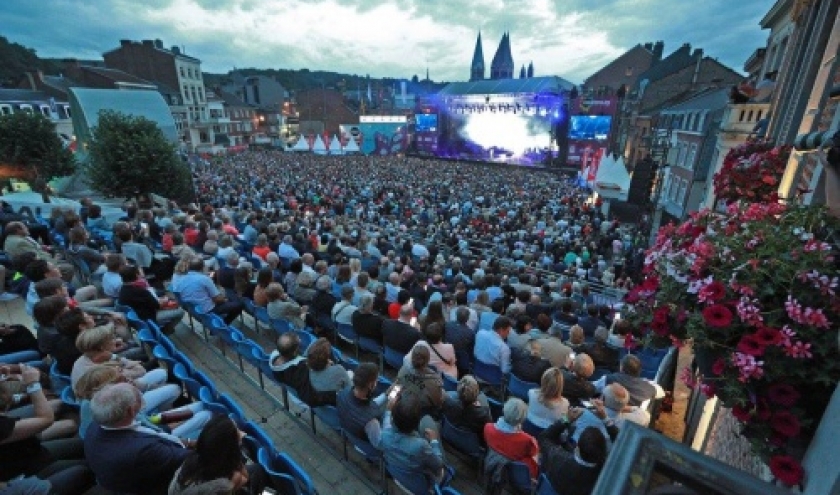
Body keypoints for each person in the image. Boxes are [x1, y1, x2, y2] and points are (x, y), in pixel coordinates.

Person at [84, 383, 189, 494]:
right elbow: (187, 457)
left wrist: (188, 441)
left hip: (127, 474)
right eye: (137, 398)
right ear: (131, 411)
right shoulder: (142, 449)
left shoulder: (96, 426)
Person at [71, 325, 180, 414]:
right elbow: (139, 372)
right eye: (110, 339)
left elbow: (137, 372)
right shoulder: (98, 372)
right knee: (174, 389)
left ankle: (159, 409)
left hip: (121, 391)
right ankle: (160, 419)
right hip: (118, 409)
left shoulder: (86, 357)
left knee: (161, 373)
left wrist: (117, 360)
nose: (115, 340)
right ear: (102, 347)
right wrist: (126, 366)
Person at [169, 415, 267, 495]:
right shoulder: (222, 484)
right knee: (257, 471)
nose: (242, 434)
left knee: (254, 468)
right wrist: (235, 454)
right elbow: (244, 478)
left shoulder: (191, 459)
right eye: (236, 435)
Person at [380, 394, 445, 483]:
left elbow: (386, 422)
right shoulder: (421, 445)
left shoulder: (384, 434)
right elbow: (438, 464)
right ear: (416, 423)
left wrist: (388, 410)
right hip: (421, 485)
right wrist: (434, 441)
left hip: (397, 474)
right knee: (429, 422)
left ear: (394, 418)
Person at [538, 422, 607, 495]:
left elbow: (544, 437)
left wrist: (566, 419)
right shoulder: (605, 475)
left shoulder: (558, 458)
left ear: (577, 448)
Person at [117, 265, 185, 333]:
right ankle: (165, 331)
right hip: (148, 318)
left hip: (138, 316)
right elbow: (157, 306)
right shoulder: (140, 291)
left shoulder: (123, 289)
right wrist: (165, 299)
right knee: (180, 312)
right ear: (136, 275)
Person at [483, 398, 540, 479]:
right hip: (514, 471)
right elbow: (533, 460)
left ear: (504, 409)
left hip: (492, 461)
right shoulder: (528, 441)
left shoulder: (487, 427)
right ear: (522, 419)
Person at [173, 258, 243, 324]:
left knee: (227, 296)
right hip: (208, 310)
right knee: (239, 304)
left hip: (194, 308)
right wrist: (225, 300)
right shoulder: (204, 279)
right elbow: (218, 299)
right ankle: (223, 324)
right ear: (202, 267)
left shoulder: (181, 278)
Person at [337, 362, 389, 448]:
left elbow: (367, 405)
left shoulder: (342, 393)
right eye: (376, 380)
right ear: (370, 385)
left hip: (351, 434)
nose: (377, 383)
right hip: (367, 446)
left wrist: (385, 395)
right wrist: (388, 412)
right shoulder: (371, 422)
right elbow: (379, 444)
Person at [397, 345, 444, 418]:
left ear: (412, 358)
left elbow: (395, 389)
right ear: (428, 361)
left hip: (401, 408)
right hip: (421, 416)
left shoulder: (403, 369)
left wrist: (391, 405)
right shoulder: (435, 382)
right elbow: (437, 403)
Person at [596, 354, 660, 407]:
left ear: (621, 367)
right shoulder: (651, 388)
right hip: (635, 418)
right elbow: (661, 393)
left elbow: (592, 388)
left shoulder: (608, 379)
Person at [441, 375, 492, 441]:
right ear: (476, 392)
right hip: (469, 444)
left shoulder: (447, 400)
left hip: (449, 436)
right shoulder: (483, 413)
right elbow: (487, 430)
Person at [444, 306, 475, 377]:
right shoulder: (470, 333)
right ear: (467, 319)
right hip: (460, 362)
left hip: (447, 356)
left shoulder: (448, 325)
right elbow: (471, 351)